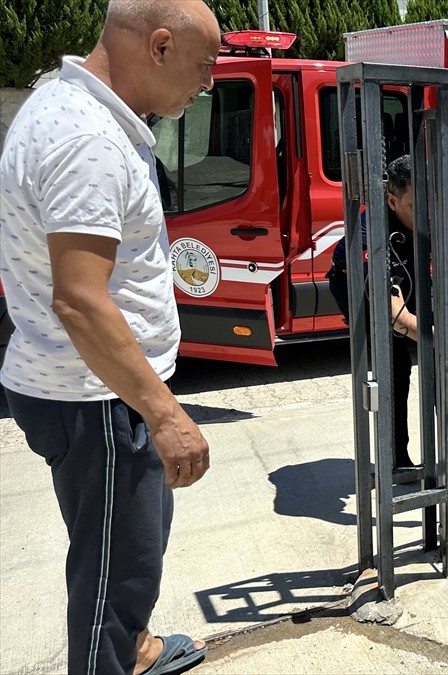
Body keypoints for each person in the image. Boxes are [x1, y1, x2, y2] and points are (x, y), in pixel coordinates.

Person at [0, 1, 219, 674]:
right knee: (112, 583)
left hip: (98, 388)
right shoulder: (86, 138)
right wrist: (165, 412)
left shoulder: (73, 109)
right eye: (205, 64)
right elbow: (82, 300)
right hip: (97, 396)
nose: (208, 82)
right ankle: (114, 657)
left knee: (133, 552)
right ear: (158, 47)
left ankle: (136, 648)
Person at [327, 154, 448, 471]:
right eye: (419, 207)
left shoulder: (442, 210)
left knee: (438, 360)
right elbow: (394, 315)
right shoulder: (369, 231)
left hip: (412, 274)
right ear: (392, 200)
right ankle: (396, 461)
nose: (432, 216)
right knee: (395, 364)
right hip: (358, 286)